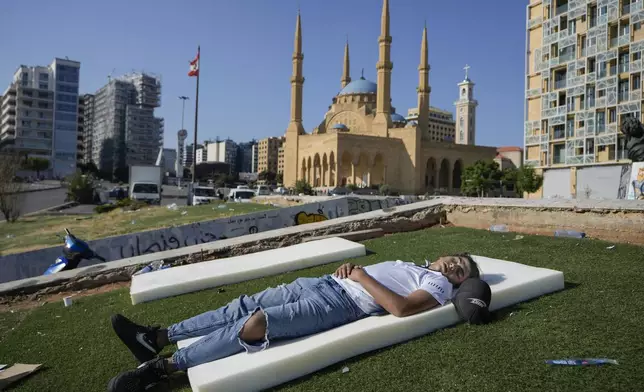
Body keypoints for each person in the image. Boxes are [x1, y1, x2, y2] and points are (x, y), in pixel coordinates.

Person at [107, 254, 480, 392]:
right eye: (453, 261)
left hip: (340, 304)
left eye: (460, 271)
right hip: (325, 283)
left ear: (460, 282)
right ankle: (155, 336)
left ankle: (164, 368)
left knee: (256, 323)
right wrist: (349, 272)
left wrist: (361, 276)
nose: (452, 267)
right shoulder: (416, 265)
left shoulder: (438, 284)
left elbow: (399, 308)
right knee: (242, 304)